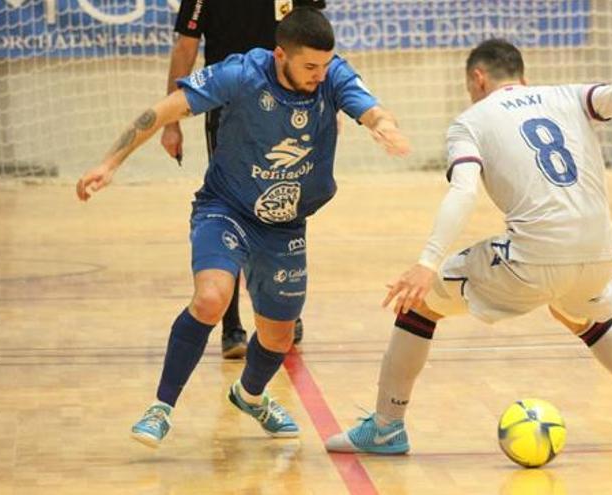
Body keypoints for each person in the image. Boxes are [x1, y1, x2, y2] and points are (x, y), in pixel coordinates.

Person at [325, 39, 612, 454]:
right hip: (601, 253)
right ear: (523, 77)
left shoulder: (470, 121)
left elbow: (464, 193)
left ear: (477, 79)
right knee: (579, 312)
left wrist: (427, 263)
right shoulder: (567, 95)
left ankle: (387, 427)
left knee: (418, 303)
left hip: (533, 257)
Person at [76, 8, 410, 448]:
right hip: (226, 207)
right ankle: (161, 407)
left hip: (285, 222)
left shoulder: (332, 75)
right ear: (280, 56)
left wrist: (384, 127)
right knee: (212, 297)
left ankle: (250, 396)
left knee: (279, 335)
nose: (318, 75)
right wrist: (109, 163)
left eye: (324, 66)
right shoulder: (241, 73)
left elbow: (372, 110)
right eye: (309, 66)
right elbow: (159, 112)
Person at [163, 0, 327, 358]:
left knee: (286, 198)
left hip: (289, 105)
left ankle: (282, 310)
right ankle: (232, 325)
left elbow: (314, 29)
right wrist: (171, 122)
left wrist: (326, 102)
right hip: (229, 108)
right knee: (231, 206)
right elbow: (186, 45)